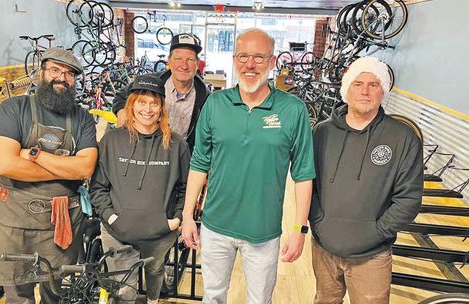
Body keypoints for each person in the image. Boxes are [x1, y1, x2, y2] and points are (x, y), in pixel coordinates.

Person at [181, 28, 316, 303]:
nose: (250, 64)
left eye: (258, 57)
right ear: (234, 59)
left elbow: (303, 173)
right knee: (213, 297)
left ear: (272, 60)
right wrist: (186, 216)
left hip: (263, 232)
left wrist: (299, 229)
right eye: (243, 56)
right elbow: (199, 163)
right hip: (215, 226)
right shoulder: (216, 103)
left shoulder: (292, 110)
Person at [309, 56, 423, 304]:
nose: (365, 91)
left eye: (374, 85)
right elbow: (309, 185)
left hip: (372, 255)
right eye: (358, 83)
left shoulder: (401, 137)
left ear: (383, 91)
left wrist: (377, 231)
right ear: (346, 89)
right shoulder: (321, 133)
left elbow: (410, 198)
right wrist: (319, 222)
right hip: (324, 248)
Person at [0, 48, 98, 303]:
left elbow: (84, 169)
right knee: (18, 294)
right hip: (13, 221)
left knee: (55, 291)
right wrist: (64, 168)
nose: (62, 78)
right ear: (42, 72)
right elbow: (5, 165)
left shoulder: (82, 118)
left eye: (70, 74)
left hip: (59, 221)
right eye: (55, 70)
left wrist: (35, 155)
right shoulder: (13, 108)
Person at [90, 74, 190, 304]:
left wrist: (174, 220)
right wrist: (112, 217)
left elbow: (186, 187)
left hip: (159, 234)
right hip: (117, 233)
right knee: (123, 294)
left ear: (162, 108)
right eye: (142, 102)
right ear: (131, 104)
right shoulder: (111, 140)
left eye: (154, 102)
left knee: (155, 276)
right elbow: (97, 187)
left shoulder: (176, 144)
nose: (148, 108)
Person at [113, 33, 210, 151]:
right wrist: (122, 111)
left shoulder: (205, 96)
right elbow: (120, 97)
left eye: (190, 59)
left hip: (181, 157)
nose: (184, 66)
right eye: (178, 58)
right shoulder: (150, 83)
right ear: (169, 61)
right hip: (147, 151)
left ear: (197, 63)